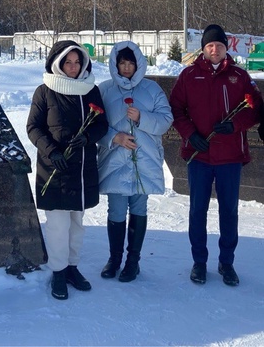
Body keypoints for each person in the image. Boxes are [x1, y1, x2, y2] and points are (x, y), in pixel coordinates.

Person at [169, 24, 262, 286]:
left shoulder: (239, 76)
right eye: (210, 46)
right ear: (203, 49)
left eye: (219, 46)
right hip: (199, 155)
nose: (214, 50)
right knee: (198, 210)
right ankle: (199, 262)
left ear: (226, 48)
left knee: (229, 211)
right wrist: (190, 133)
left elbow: (256, 109)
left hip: (229, 157)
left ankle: (227, 262)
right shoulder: (188, 76)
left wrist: (236, 125)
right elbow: (176, 108)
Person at [27, 41, 108, 300]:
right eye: (67, 63)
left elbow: (102, 124)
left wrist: (88, 138)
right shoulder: (45, 91)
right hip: (55, 167)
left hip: (82, 168)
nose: (73, 68)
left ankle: (72, 267)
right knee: (58, 225)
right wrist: (52, 151)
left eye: (77, 62)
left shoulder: (90, 90)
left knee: (77, 223)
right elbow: (33, 128)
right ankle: (58, 272)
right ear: (58, 64)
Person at [97, 41, 173, 282]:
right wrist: (114, 137)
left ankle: (133, 261)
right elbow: (94, 125)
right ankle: (114, 259)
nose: (127, 67)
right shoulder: (105, 90)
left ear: (139, 64)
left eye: (131, 63)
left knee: (139, 209)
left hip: (144, 161)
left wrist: (142, 118)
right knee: (116, 210)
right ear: (115, 64)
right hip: (115, 161)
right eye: (122, 63)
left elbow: (165, 120)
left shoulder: (152, 90)